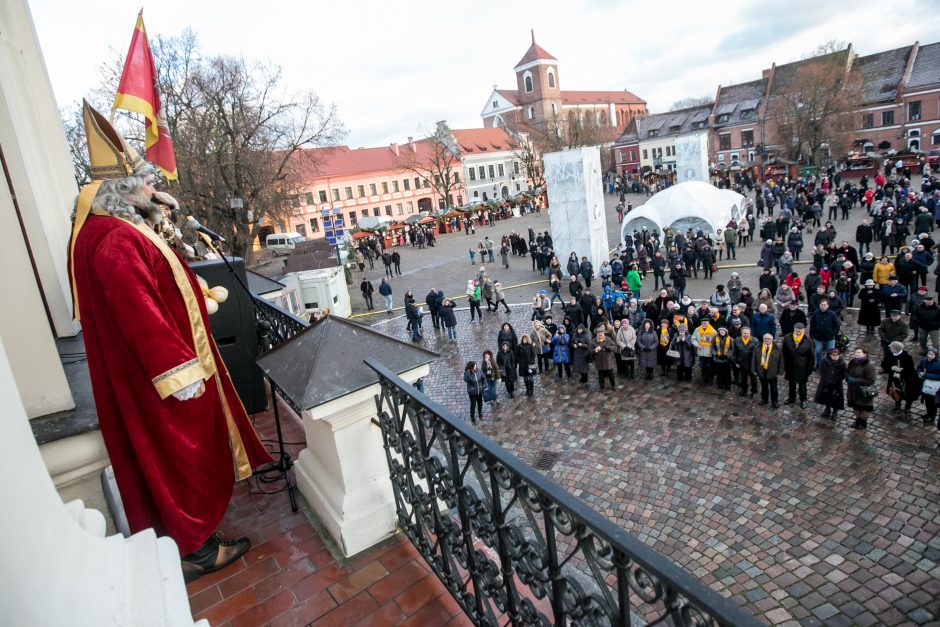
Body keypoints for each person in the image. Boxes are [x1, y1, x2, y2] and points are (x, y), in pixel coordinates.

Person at [69, 104, 271, 581]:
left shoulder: (117, 227)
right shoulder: (115, 240)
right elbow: (140, 314)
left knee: (176, 460)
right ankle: (194, 550)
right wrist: (178, 371)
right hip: (162, 379)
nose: (151, 188)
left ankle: (190, 539)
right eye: (143, 183)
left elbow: (159, 280)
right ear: (122, 192)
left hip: (150, 375)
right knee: (179, 459)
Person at [782, 322, 815, 408]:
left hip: (802, 367)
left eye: (800, 330)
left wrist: (809, 369)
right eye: (796, 330)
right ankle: (791, 398)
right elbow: (784, 352)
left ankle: (803, 400)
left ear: (804, 330)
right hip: (790, 366)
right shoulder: (787, 338)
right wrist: (784, 366)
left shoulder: (808, 340)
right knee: (791, 383)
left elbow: (812, 356)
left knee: (802, 385)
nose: (798, 332)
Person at [846, 347, 877, 430]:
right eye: (856, 352)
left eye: (859, 352)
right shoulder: (852, 362)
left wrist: (856, 380)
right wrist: (848, 377)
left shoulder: (869, 366)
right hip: (853, 390)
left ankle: (863, 423)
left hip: (863, 391)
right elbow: (848, 371)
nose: (856, 354)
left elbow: (871, 380)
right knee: (855, 407)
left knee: (864, 409)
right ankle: (857, 421)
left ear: (865, 354)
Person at [884, 341, 918, 415]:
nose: (890, 348)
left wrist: (901, 372)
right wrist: (891, 368)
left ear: (896, 349)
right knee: (896, 391)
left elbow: (910, 369)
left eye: (891, 347)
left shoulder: (907, 357)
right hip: (894, 377)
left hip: (907, 379)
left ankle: (908, 406)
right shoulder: (890, 355)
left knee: (908, 393)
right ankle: (897, 403)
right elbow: (884, 364)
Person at [815, 348, 846, 420]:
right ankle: (827, 410)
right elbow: (821, 371)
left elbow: (843, 374)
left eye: (837, 355)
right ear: (830, 355)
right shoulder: (824, 361)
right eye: (834, 355)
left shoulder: (842, 363)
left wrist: (836, 380)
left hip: (837, 384)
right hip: (826, 382)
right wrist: (827, 379)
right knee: (826, 397)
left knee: (836, 399)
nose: (835, 356)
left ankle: (835, 413)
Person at [809, 300, 841, 370]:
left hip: (830, 338)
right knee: (818, 351)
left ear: (827, 306)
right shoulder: (815, 313)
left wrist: (833, 333)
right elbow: (812, 324)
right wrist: (812, 333)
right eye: (821, 305)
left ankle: (829, 364)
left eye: (824, 305)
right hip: (818, 337)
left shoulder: (832, 314)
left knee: (830, 352)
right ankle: (819, 364)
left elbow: (837, 325)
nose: (823, 306)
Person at [754, 333, 782, 408]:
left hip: (773, 372)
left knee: (774, 388)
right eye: (765, 339)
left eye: (768, 339)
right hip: (762, 371)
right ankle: (764, 399)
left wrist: (780, 372)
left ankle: (774, 401)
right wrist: (754, 370)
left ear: (772, 340)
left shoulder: (777, 348)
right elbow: (754, 359)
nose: (767, 340)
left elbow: (781, 361)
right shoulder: (757, 347)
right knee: (764, 387)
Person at [916, 348, 940, 427]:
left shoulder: (938, 363)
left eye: (932, 355)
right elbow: (919, 368)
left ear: (935, 355)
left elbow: (939, 376)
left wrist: (926, 375)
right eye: (928, 354)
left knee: (933, 402)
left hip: (934, 386)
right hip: (925, 384)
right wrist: (919, 373)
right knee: (927, 400)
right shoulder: (924, 360)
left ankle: (932, 416)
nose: (929, 356)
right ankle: (928, 413)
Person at [733, 327, 758, 397]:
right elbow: (734, 352)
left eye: (747, 333)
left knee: (753, 379)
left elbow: (758, 354)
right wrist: (736, 362)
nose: (746, 334)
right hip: (742, 363)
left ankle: (754, 392)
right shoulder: (737, 340)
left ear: (750, 333)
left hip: (752, 364)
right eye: (744, 333)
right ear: (741, 333)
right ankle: (743, 390)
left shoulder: (755, 341)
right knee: (743, 378)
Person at [692, 319, 717, 384]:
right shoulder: (697, 330)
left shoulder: (713, 331)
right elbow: (693, 339)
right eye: (702, 323)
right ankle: (704, 378)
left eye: (705, 323)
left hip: (709, 352)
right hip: (701, 351)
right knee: (703, 366)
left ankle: (710, 379)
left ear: (708, 323)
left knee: (710, 367)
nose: (703, 324)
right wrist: (697, 345)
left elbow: (716, 342)